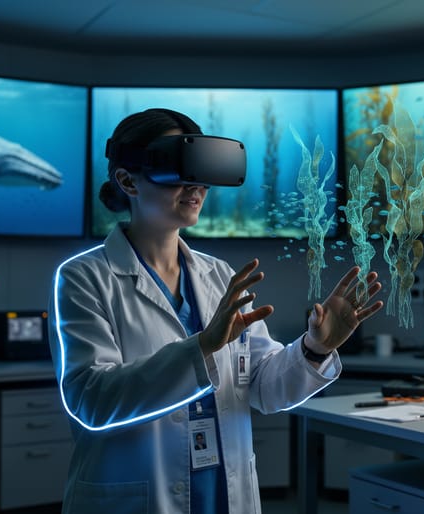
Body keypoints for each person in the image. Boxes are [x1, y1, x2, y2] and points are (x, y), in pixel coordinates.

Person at [49, 108, 383, 514]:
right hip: (138, 498)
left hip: (224, 497)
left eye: (202, 172)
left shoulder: (220, 275)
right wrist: (202, 346)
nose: (197, 187)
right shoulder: (84, 277)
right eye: (179, 170)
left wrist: (315, 348)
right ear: (128, 181)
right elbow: (91, 402)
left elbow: (263, 388)